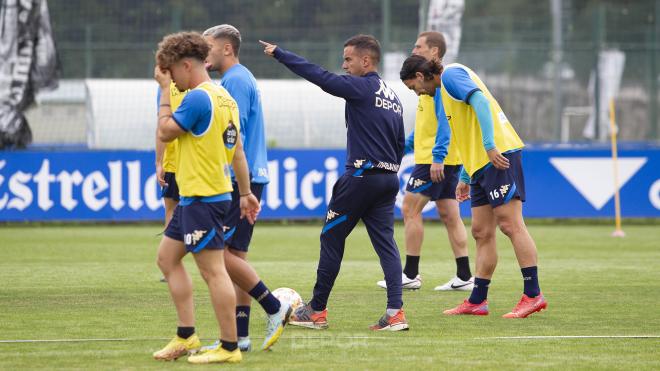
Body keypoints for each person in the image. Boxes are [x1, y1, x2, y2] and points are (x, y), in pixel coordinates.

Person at [261, 35, 409, 331]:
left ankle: (316, 311)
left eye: (348, 59)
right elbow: (400, 142)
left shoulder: (361, 87)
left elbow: (321, 77)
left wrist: (281, 54)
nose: (344, 65)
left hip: (360, 178)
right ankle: (395, 313)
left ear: (366, 61)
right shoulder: (393, 97)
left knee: (331, 238)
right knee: (386, 245)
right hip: (388, 178)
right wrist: (387, 167)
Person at [399, 54, 547, 318]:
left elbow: (479, 100)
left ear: (420, 76)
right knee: (481, 231)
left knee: (510, 224)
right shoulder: (442, 95)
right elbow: (467, 132)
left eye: (414, 87)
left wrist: (490, 145)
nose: (417, 93)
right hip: (479, 165)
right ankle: (477, 300)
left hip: (498, 155)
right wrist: (466, 177)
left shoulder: (451, 75)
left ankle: (533, 295)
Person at [150, 31, 260, 365]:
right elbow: (237, 151)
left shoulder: (198, 97)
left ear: (186, 65)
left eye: (172, 72)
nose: (171, 79)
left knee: (213, 271)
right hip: (200, 198)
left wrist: (164, 91)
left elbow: (165, 131)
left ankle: (229, 346)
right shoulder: (224, 97)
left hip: (203, 198)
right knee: (167, 259)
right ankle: (187, 335)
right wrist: (245, 193)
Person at [376, 31, 473, 292]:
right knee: (450, 214)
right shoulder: (427, 83)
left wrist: (438, 157)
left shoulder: (440, 82)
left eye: (419, 46)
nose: (414, 49)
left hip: (435, 158)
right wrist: (405, 146)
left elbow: (445, 122)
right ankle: (465, 275)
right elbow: (426, 125)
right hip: (444, 157)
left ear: (435, 52)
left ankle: (410, 274)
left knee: (409, 209)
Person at [199, 24, 271, 353]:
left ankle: (274, 306)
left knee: (220, 256)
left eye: (208, 47)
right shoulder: (237, 78)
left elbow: (233, 136)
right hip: (247, 178)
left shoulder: (235, 81)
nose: (204, 53)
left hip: (241, 180)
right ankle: (240, 335)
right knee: (235, 257)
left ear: (227, 48)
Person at [155, 82, 186, 283]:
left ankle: (171, 262)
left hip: (173, 160)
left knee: (171, 210)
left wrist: (158, 161)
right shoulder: (201, 84)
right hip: (192, 161)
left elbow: (161, 126)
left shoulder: (166, 88)